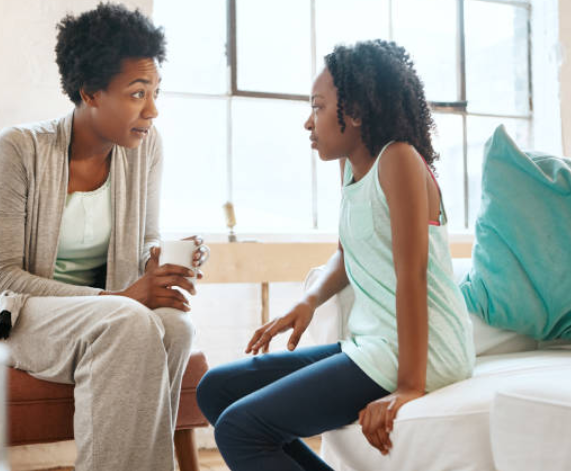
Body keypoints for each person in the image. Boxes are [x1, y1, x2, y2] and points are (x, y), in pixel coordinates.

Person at [0, 4, 208, 470]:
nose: (153, 110)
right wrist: (116, 296)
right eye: (138, 93)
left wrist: (159, 260)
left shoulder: (145, 147)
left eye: (156, 92)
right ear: (90, 92)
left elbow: (143, 238)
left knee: (177, 326)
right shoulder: (19, 148)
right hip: (1, 314)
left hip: (95, 313)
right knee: (125, 320)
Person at [196, 39, 475, 471]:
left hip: (422, 352)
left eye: (318, 107)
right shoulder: (350, 168)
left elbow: (412, 275)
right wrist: (308, 301)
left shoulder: (398, 160)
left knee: (239, 429)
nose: (308, 122)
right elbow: (346, 255)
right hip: (373, 344)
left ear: (357, 114)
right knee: (216, 389)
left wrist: (407, 388)